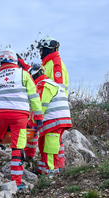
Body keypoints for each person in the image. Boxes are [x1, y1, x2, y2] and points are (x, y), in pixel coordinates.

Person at [0, 48, 43, 190]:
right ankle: (17, 182)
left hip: (0, 114)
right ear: (15, 60)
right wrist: (38, 117)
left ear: (1, 62)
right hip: (19, 116)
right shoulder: (24, 74)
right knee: (17, 146)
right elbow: (34, 97)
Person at [26, 64, 72, 175]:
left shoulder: (43, 85)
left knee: (49, 148)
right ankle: (43, 170)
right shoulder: (51, 83)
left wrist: (30, 124)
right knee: (44, 143)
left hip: (54, 120)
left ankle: (51, 172)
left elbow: (40, 107)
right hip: (60, 119)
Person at [36, 36, 69, 167]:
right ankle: (56, 167)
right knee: (53, 142)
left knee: (51, 142)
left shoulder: (55, 63)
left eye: (41, 50)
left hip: (54, 110)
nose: (39, 53)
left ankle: (53, 170)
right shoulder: (48, 63)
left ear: (47, 49)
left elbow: (56, 88)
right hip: (54, 110)